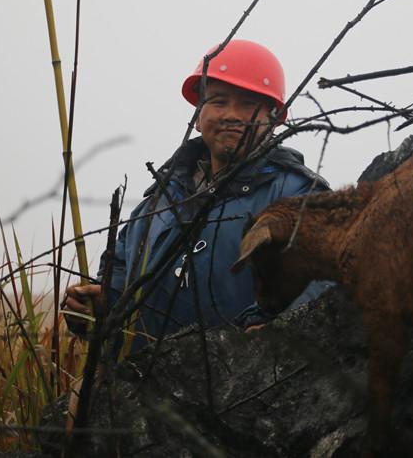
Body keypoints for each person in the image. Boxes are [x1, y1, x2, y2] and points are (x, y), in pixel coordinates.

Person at [64, 39, 332, 354]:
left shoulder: (299, 197)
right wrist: (99, 305)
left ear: (275, 117)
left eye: (248, 103)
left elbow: (322, 284)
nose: (232, 114)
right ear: (199, 111)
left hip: (244, 395)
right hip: (137, 396)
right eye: (218, 101)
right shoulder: (157, 203)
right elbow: (120, 278)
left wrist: (267, 338)